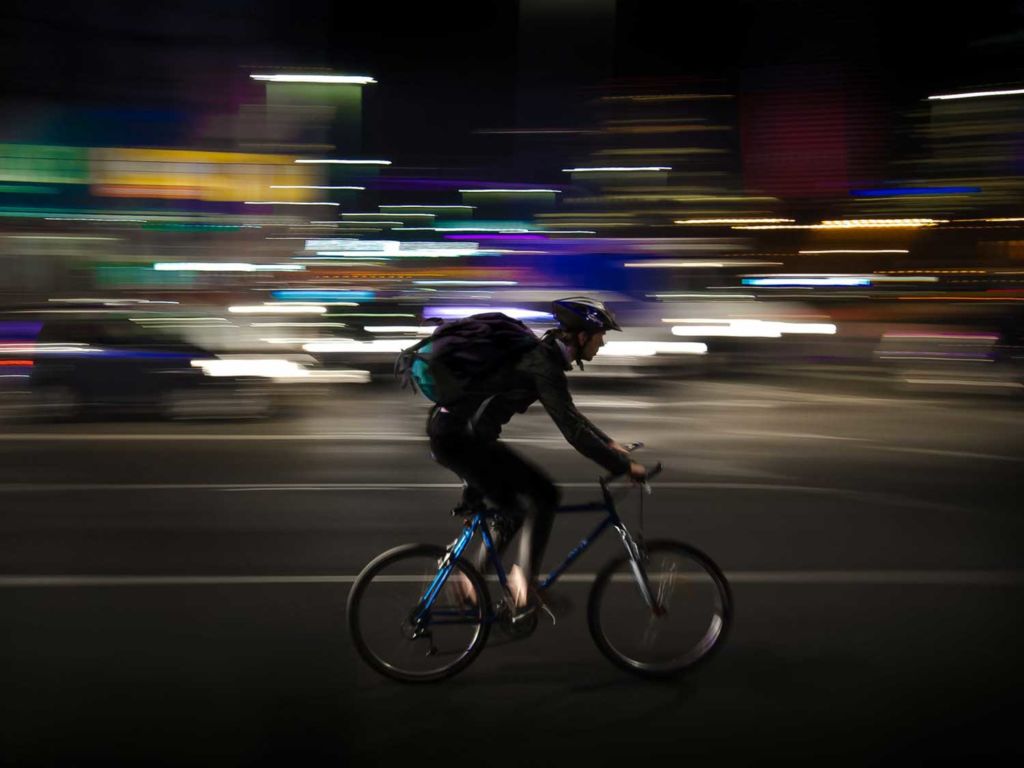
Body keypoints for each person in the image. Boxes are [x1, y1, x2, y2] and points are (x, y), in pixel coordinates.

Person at [427, 297, 648, 617]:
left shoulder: (541, 358)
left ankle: (472, 579)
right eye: (600, 336)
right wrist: (624, 467)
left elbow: (570, 415)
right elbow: (572, 432)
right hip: (461, 440)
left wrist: (609, 443)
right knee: (545, 493)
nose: (602, 344)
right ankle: (521, 586)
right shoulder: (542, 364)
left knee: (513, 510)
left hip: (459, 436)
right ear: (582, 335)